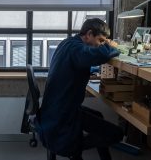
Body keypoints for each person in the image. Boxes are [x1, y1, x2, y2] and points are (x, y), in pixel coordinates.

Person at [36, 18, 123, 160]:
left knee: (98, 116)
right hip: (62, 116)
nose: (100, 44)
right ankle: (74, 147)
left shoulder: (68, 43)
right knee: (116, 134)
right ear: (88, 34)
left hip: (56, 110)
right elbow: (100, 54)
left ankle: (76, 151)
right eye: (100, 40)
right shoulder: (75, 49)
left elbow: (84, 59)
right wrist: (111, 46)